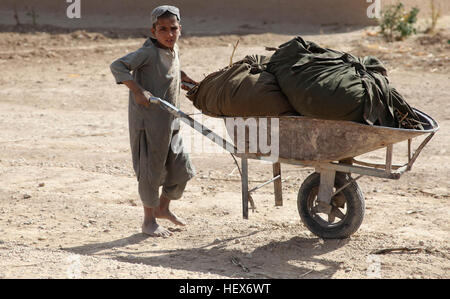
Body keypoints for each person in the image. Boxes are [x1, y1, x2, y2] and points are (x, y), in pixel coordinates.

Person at [110, 5, 197, 237]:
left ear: (180, 29)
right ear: (153, 30)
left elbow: (170, 72)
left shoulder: (173, 49)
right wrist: (138, 90)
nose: (169, 34)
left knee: (182, 168)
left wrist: (187, 80)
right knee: (151, 170)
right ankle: (148, 221)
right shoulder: (146, 53)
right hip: (148, 123)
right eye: (163, 29)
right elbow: (118, 66)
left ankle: (162, 208)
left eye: (173, 28)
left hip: (170, 121)